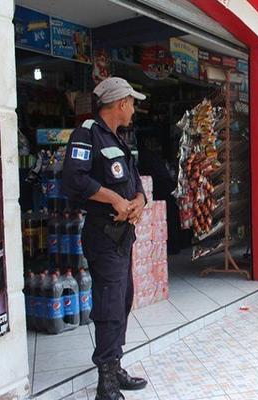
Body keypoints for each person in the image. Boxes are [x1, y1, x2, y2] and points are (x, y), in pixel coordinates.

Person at [62, 77, 148, 400]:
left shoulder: (119, 140)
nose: (134, 109)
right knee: (109, 305)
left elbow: (137, 185)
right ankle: (105, 382)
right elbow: (73, 179)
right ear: (121, 103)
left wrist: (138, 202)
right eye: (133, 102)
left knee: (123, 301)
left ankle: (116, 365)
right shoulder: (87, 134)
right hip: (103, 236)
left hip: (123, 238)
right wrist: (113, 199)